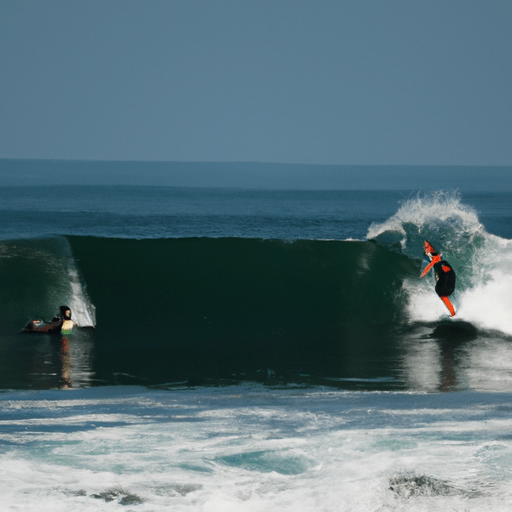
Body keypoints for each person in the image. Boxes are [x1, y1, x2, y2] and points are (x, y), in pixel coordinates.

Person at [420, 243, 456, 316]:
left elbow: (427, 269)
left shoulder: (435, 260)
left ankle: (452, 313)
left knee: (443, 295)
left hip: (444, 281)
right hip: (450, 279)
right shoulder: (439, 259)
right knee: (444, 294)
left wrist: (423, 274)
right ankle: (452, 313)